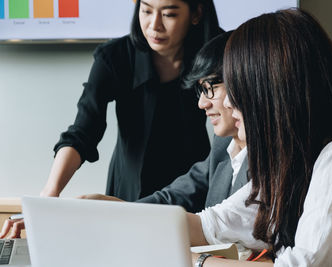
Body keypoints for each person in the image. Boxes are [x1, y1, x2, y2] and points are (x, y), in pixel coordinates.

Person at [187, 9, 332, 266]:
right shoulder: (292, 164)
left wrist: (199, 261)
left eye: (237, 87)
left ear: (271, 90)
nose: (229, 102)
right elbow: (212, 224)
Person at [0, 32, 249, 238]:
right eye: (147, 9)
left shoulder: (225, 50)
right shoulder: (223, 145)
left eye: (210, 89)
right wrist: (106, 208)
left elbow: (212, 224)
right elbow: (175, 195)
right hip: (144, 200)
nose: (202, 104)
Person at [42, 0, 221, 202]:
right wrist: (50, 192)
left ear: (196, 13)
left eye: (169, 15)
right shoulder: (115, 56)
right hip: (128, 189)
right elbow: (83, 131)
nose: (154, 26)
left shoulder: (217, 53)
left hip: (192, 186)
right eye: (146, 11)